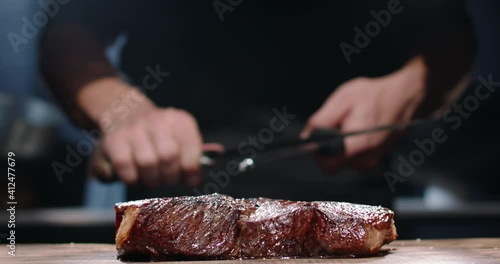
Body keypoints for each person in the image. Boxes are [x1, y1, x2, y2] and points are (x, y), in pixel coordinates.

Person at [40, 0, 474, 201]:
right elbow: (70, 31)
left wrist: (408, 85)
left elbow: (450, 33)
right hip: (170, 198)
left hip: (349, 198)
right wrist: (121, 108)